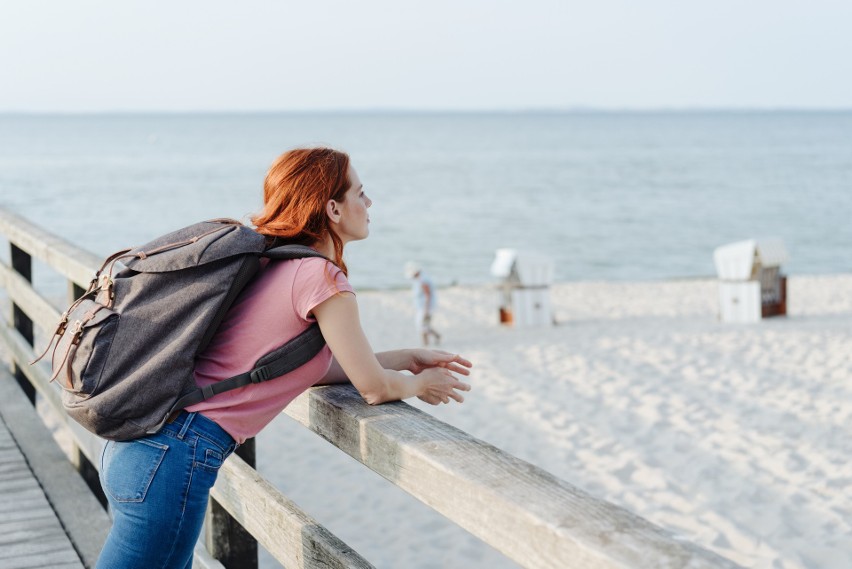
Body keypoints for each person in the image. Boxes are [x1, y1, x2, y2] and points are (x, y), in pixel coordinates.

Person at [96, 147, 472, 569]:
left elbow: (307, 367)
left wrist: (405, 358)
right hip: (175, 454)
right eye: (361, 194)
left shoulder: (275, 264)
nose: (369, 204)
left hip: (146, 448)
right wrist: (421, 385)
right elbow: (374, 387)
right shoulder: (322, 277)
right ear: (332, 208)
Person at [404, 261, 442, 346]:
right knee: (424, 326)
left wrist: (426, 310)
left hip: (426, 308)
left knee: (423, 326)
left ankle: (426, 344)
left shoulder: (423, 280)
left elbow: (428, 295)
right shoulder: (421, 278)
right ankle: (435, 337)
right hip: (423, 307)